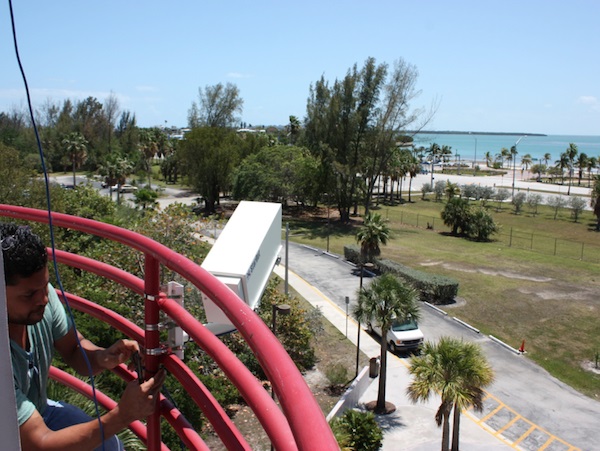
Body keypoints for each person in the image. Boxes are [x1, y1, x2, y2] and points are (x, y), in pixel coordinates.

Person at [2, 222, 166, 450]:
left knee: (111, 447)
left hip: (38, 415)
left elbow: (73, 350)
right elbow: (39, 444)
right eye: (29, 294)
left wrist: (102, 357)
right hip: (14, 439)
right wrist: (123, 415)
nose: (44, 299)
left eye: (45, 287)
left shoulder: (40, 301)